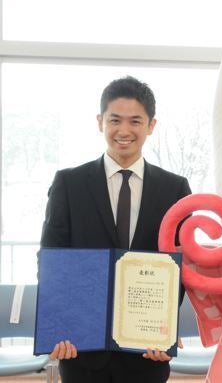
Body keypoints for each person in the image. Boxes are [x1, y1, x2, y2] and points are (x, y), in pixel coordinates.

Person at [40, 76, 191, 383]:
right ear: (100, 122)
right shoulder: (69, 184)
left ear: (151, 125)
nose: (124, 131)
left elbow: (181, 265)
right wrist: (58, 326)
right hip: (82, 351)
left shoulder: (175, 189)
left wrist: (165, 329)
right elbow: (52, 260)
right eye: (115, 120)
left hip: (146, 354)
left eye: (135, 121)